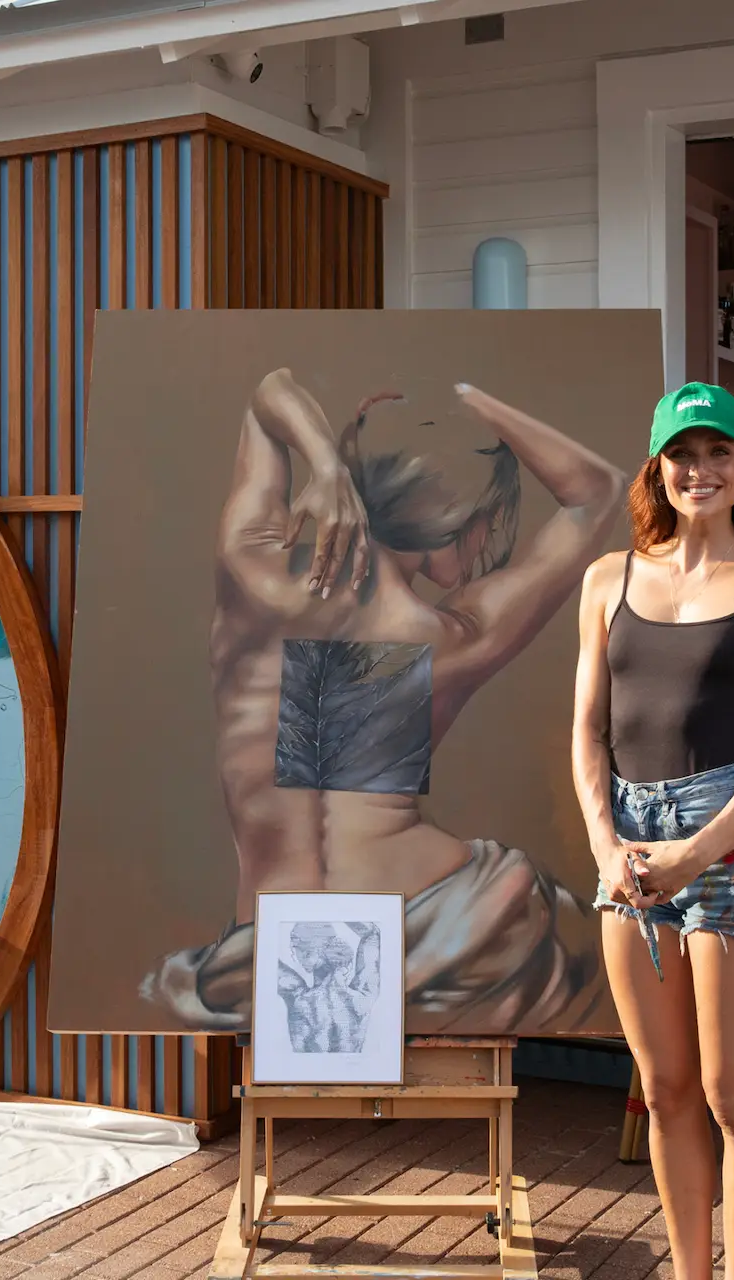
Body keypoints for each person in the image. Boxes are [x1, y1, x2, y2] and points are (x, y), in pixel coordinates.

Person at [141, 369, 631, 1033]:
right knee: (594, 942)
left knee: (303, 1091)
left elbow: (268, 394)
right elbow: (596, 492)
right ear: (458, 518)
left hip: (275, 944)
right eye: (486, 522)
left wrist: (324, 464)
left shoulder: (252, 571)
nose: (488, 542)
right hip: (440, 925)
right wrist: (467, 397)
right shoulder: (450, 635)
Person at [571, 382, 734, 1280]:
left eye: (719, 452)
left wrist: (693, 852)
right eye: (683, 453)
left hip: (729, 846)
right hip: (629, 851)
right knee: (667, 1089)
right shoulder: (609, 578)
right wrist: (610, 850)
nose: (700, 469)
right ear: (657, 467)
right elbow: (587, 732)